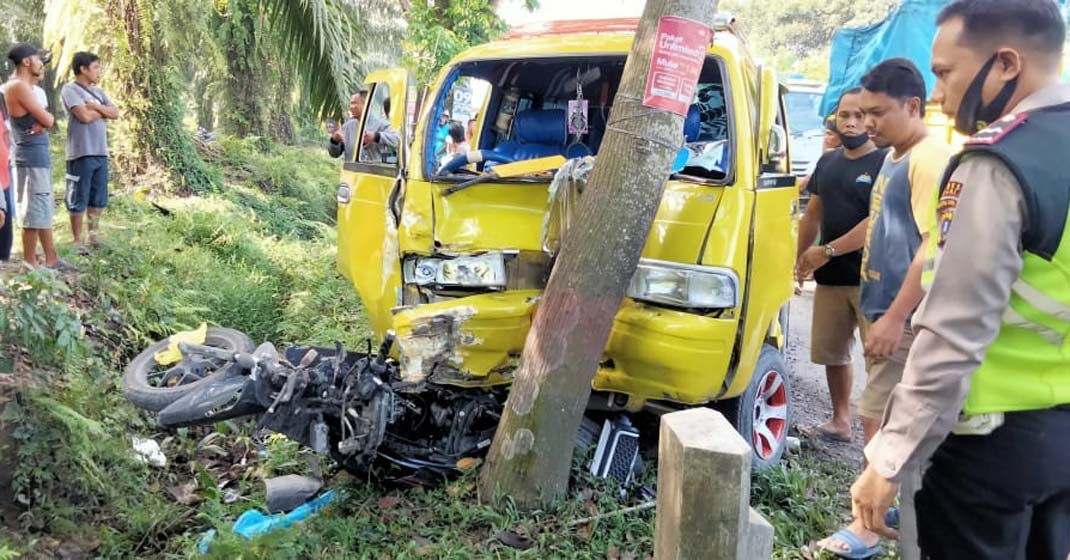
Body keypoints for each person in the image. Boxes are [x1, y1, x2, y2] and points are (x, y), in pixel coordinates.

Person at [851, 1, 1070, 558]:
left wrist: (887, 459)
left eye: (946, 73)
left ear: (1005, 64)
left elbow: (954, 330)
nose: (940, 95)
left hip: (987, 447)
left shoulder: (998, 165)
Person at [818, 58, 951, 558]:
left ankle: (866, 529)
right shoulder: (895, 157)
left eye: (878, 112)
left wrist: (897, 318)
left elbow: (933, 243)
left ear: (912, 106)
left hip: (909, 321)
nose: (867, 123)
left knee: (883, 421)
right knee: (889, 423)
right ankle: (891, 516)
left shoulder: (928, 158)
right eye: (862, 112)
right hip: (884, 312)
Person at [796, 88, 888, 443]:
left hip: (872, 279)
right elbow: (812, 214)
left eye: (859, 115)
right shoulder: (828, 162)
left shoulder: (885, 162)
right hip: (831, 280)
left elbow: (876, 220)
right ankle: (840, 420)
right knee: (833, 353)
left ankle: (880, 442)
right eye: (844, 115)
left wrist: (827, 251)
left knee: (880, 363)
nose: (851, 122)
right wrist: (800, 257)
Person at [2, 43, 68, 270]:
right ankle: (30, 263)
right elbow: (49, 120)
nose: (42, 64)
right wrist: (44, 120)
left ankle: (51, 258)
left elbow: (47, 120)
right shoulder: (17, 86)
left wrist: (45, 120)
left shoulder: (25, 87)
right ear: (27, 62)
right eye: (39, 59)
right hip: (29, 159)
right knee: (32, 209)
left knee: (42, 206)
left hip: (38, 157)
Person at [62, 51, 119, 254]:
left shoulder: (98, 92)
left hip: (100, 152)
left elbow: (116, 113)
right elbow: (83, 117)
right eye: (95, 67)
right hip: (80, 152)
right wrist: (102, 111)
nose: (98, 71)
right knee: (78, 196)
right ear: (83, 69)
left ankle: (93, 237)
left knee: (98, 197)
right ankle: (77, 241)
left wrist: (96, 107)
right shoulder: (70, 90)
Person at [328, 91, 398, 164]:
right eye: (350, 103)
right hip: (353, 173)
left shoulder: (381, 125)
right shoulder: (348, 127)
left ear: (366, 104)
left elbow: (397, 140)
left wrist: (376, 136)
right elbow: (334, 154)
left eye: (354, 103)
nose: (351, 107)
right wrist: (334, 141)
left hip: (374, 173)